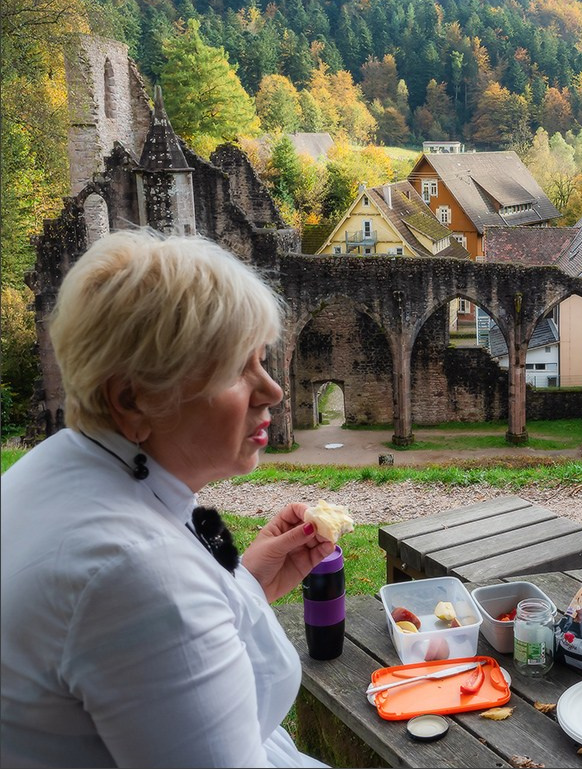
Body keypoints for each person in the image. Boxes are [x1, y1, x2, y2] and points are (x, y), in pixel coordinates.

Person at [1, 230, 333, 767]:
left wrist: (245, 582)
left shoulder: (67, 465)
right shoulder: (139, 580)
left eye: (262, 359)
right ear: (133, 400)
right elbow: (152, 591)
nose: (272, 390)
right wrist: (191, 596)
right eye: (236, 368)